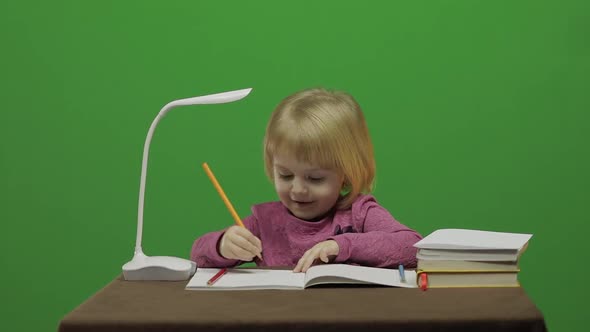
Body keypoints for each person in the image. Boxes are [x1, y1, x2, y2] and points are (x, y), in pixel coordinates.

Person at [191, 88, 422, 272]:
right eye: (286, 175)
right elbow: (197, 256)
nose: (298, 190)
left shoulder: (359, 214)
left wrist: (341, 246)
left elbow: (412, 248)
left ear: (345, 176)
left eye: (315, 178)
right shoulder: (264, 223)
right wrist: (223, 245)